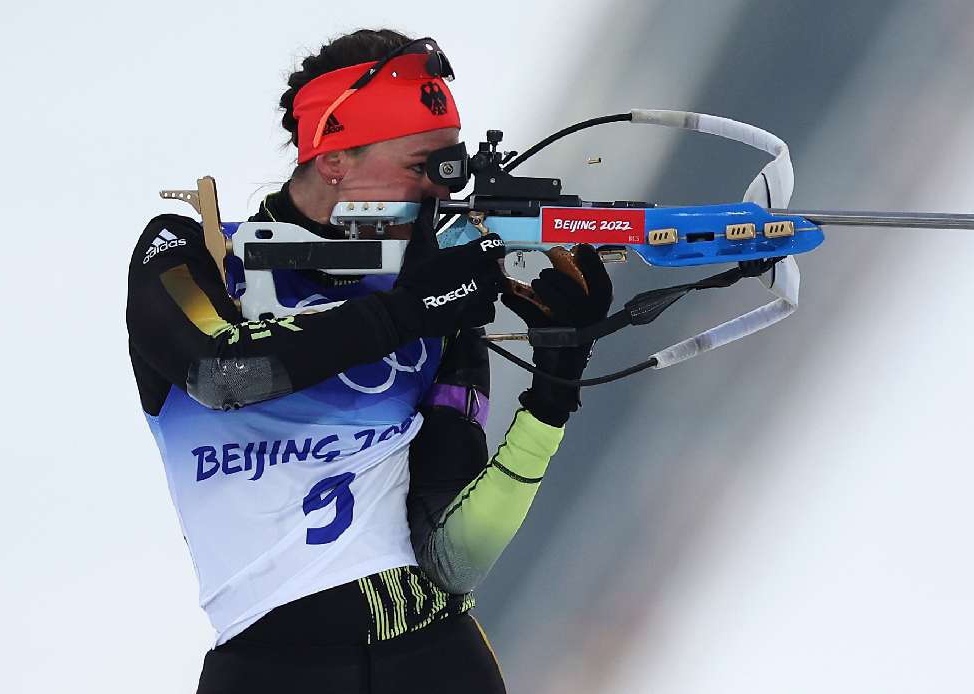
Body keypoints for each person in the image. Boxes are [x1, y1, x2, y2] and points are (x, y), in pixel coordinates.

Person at [126, 28, 612, 693]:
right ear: (334, 161)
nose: (440, 193)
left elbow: (454, 557)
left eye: (451, 168)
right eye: (421, 166)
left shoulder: (435, 291)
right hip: (273, 671)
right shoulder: (193, 256)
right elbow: (223, 371)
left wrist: (555, 389)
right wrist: (410, 310)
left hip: (436, 658)